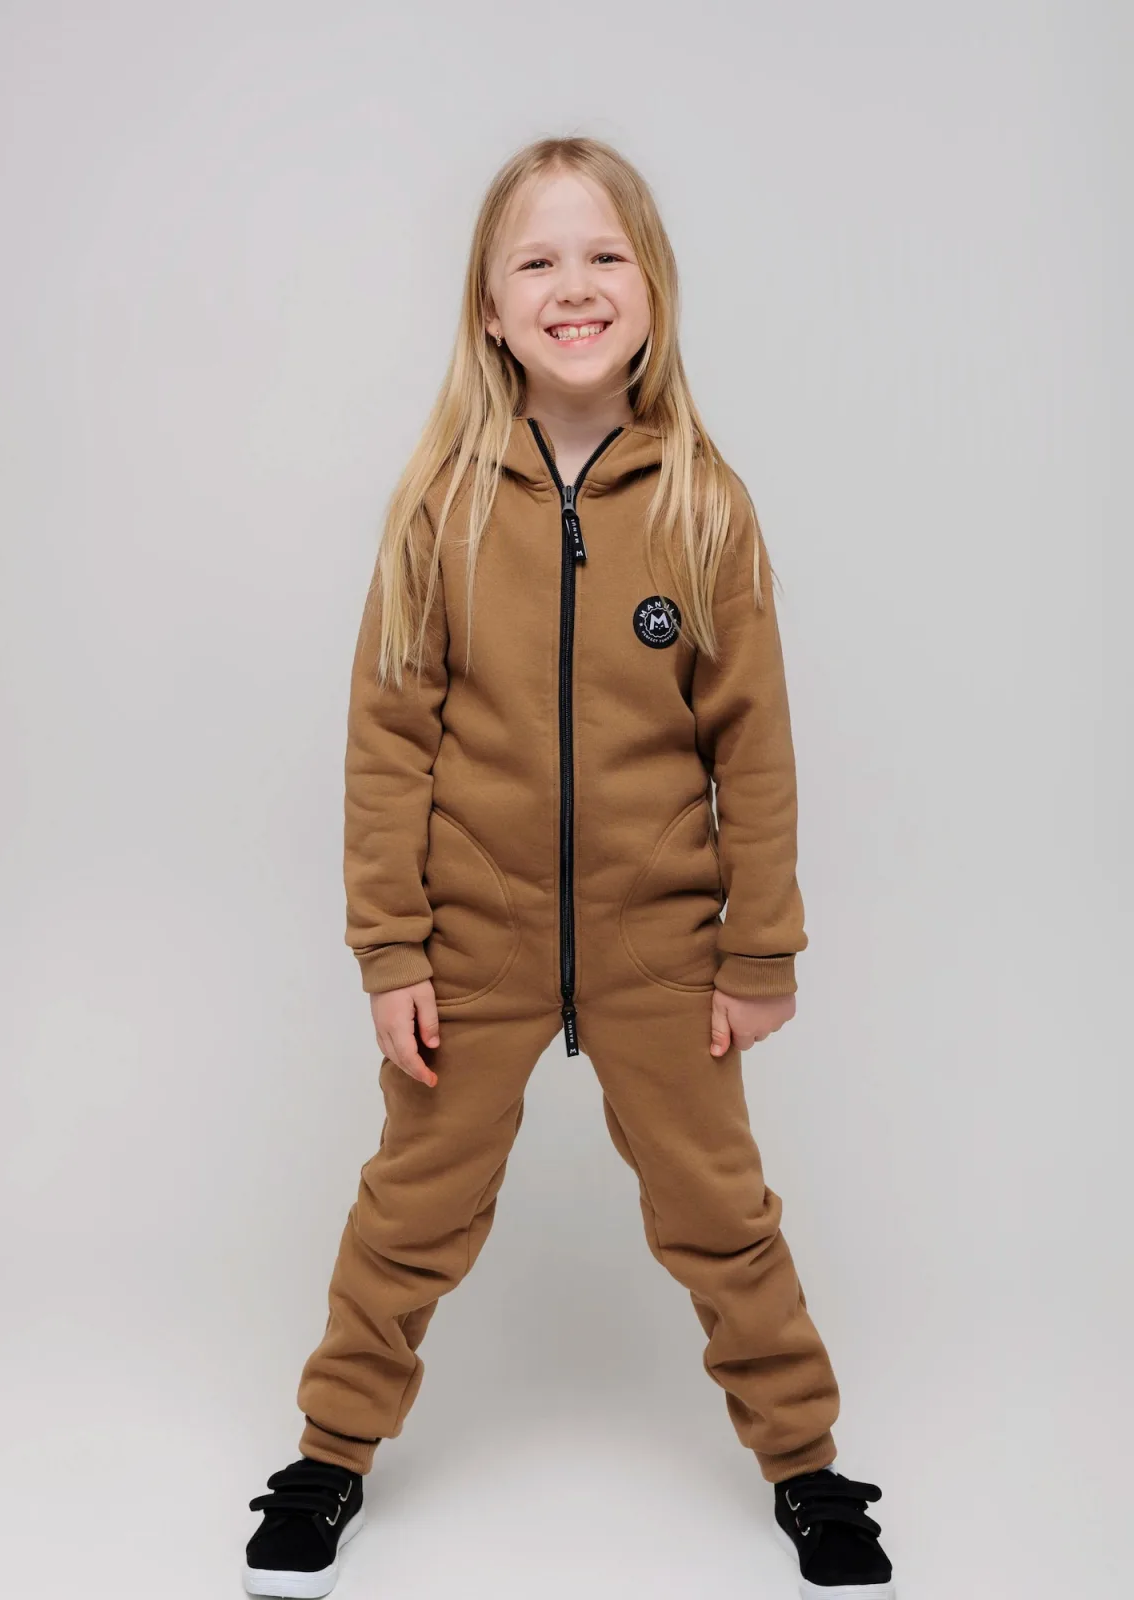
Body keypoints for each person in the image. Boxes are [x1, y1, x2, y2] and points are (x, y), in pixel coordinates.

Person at [242, 135, 895, 1600]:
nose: (573, 285)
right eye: (536, 261)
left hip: (663, 944)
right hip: (472, 941)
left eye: (605, 255)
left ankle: (806, 1464)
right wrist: (392, 950)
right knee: (412, 1207)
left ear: (651, 288)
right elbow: (386, 743)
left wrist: (760, 948)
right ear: (489, 309)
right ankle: (330, 1452)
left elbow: (755, 751)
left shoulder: (705, 504)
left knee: (722, 1213)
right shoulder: (442, 506)